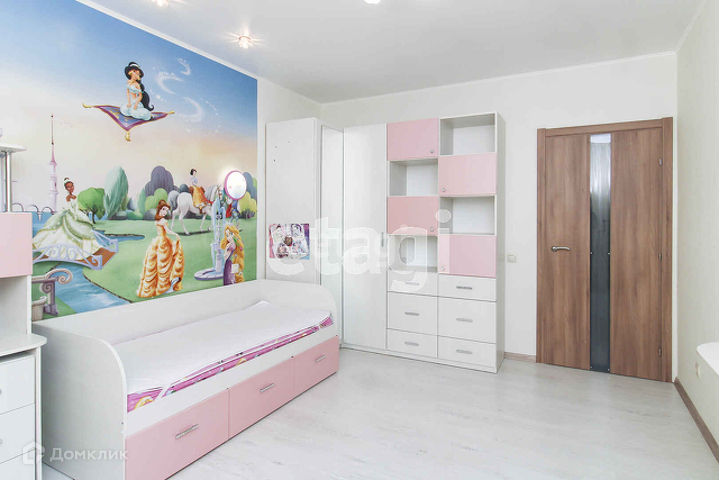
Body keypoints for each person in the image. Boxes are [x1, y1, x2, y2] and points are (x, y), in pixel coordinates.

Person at [32, 178, 103, 255]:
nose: (71, 188)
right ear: (66, 188)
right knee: (66, 230)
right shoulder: (68, 197)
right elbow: (69, 207)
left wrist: (79, 212)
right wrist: (74, 214)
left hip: (76, 213)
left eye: (72, 186)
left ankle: (85, 248)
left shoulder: (75, 196)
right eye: (68, 187)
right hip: (70, 214)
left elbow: (77, 206)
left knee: (82, 228)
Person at [137, 200, 184, 298]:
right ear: (159, 209)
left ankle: (159, 286)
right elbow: (167, 231)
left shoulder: (158, 220)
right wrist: (175, 234)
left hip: (158, 241)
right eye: (163, 209)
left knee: (158, 263)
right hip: (163, 243)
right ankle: (164, 286)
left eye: (166, 210)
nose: (165, 212)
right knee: (164, 262)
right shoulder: (163, 221)